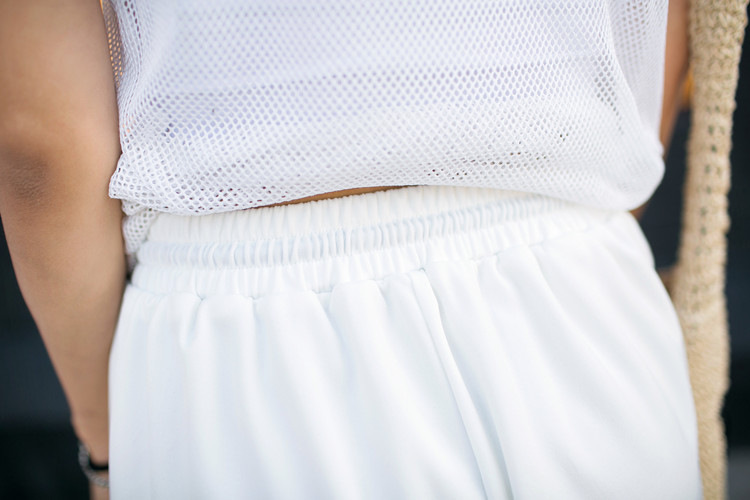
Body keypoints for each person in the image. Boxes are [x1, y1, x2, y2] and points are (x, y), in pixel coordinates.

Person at [0, 0, 699, 498]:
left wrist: (106, 437)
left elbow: (41, 150)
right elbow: (663, 36)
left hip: (241, 334)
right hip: (581, 294)